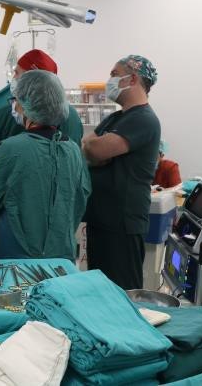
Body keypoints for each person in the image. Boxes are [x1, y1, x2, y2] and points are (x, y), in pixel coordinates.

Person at [0, 70, 91, 260]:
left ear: (26, 106)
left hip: (22, 258)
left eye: (16, 100)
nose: (14, 106)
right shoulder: (72, 150)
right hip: (62, 255)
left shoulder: (13, 148)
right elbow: (80, 199)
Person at [81, 55, 161, 290]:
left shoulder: (143, 119)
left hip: (121, 225)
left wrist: (95, 149)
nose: (110, 81)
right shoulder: (117, 117)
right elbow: (87, 146)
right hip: (102, 220)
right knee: (100, 291)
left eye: (114, 75)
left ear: (132, 79)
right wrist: (94, 150)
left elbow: (96, 149)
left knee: (122, 294)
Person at [0, 49, 84, 182]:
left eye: (17, 73)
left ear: (30, 79)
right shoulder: (72, 117)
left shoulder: (15, 113)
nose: (13, 78)